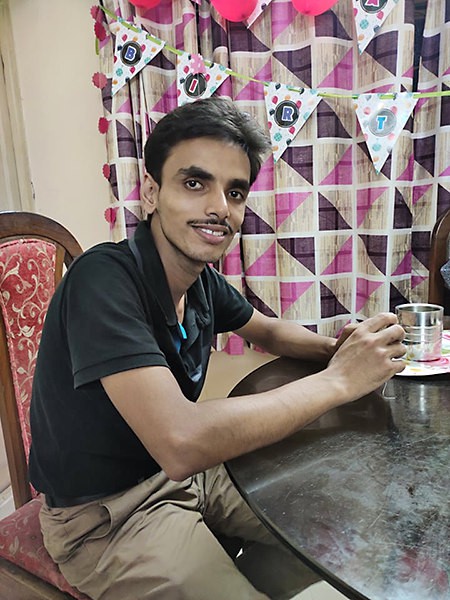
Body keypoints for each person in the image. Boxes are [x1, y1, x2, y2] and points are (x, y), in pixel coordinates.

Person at [29, 97, 406, 600]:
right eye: (194, 183)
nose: (219, 208)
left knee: (336, 520)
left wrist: (343, 350)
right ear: (150, 192)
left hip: (192, 478)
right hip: (105, 516)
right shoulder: (102, 279)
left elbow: (269, 332)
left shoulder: (200, 280)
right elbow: (181, 441)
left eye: (234, 192)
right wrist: (339, 380)